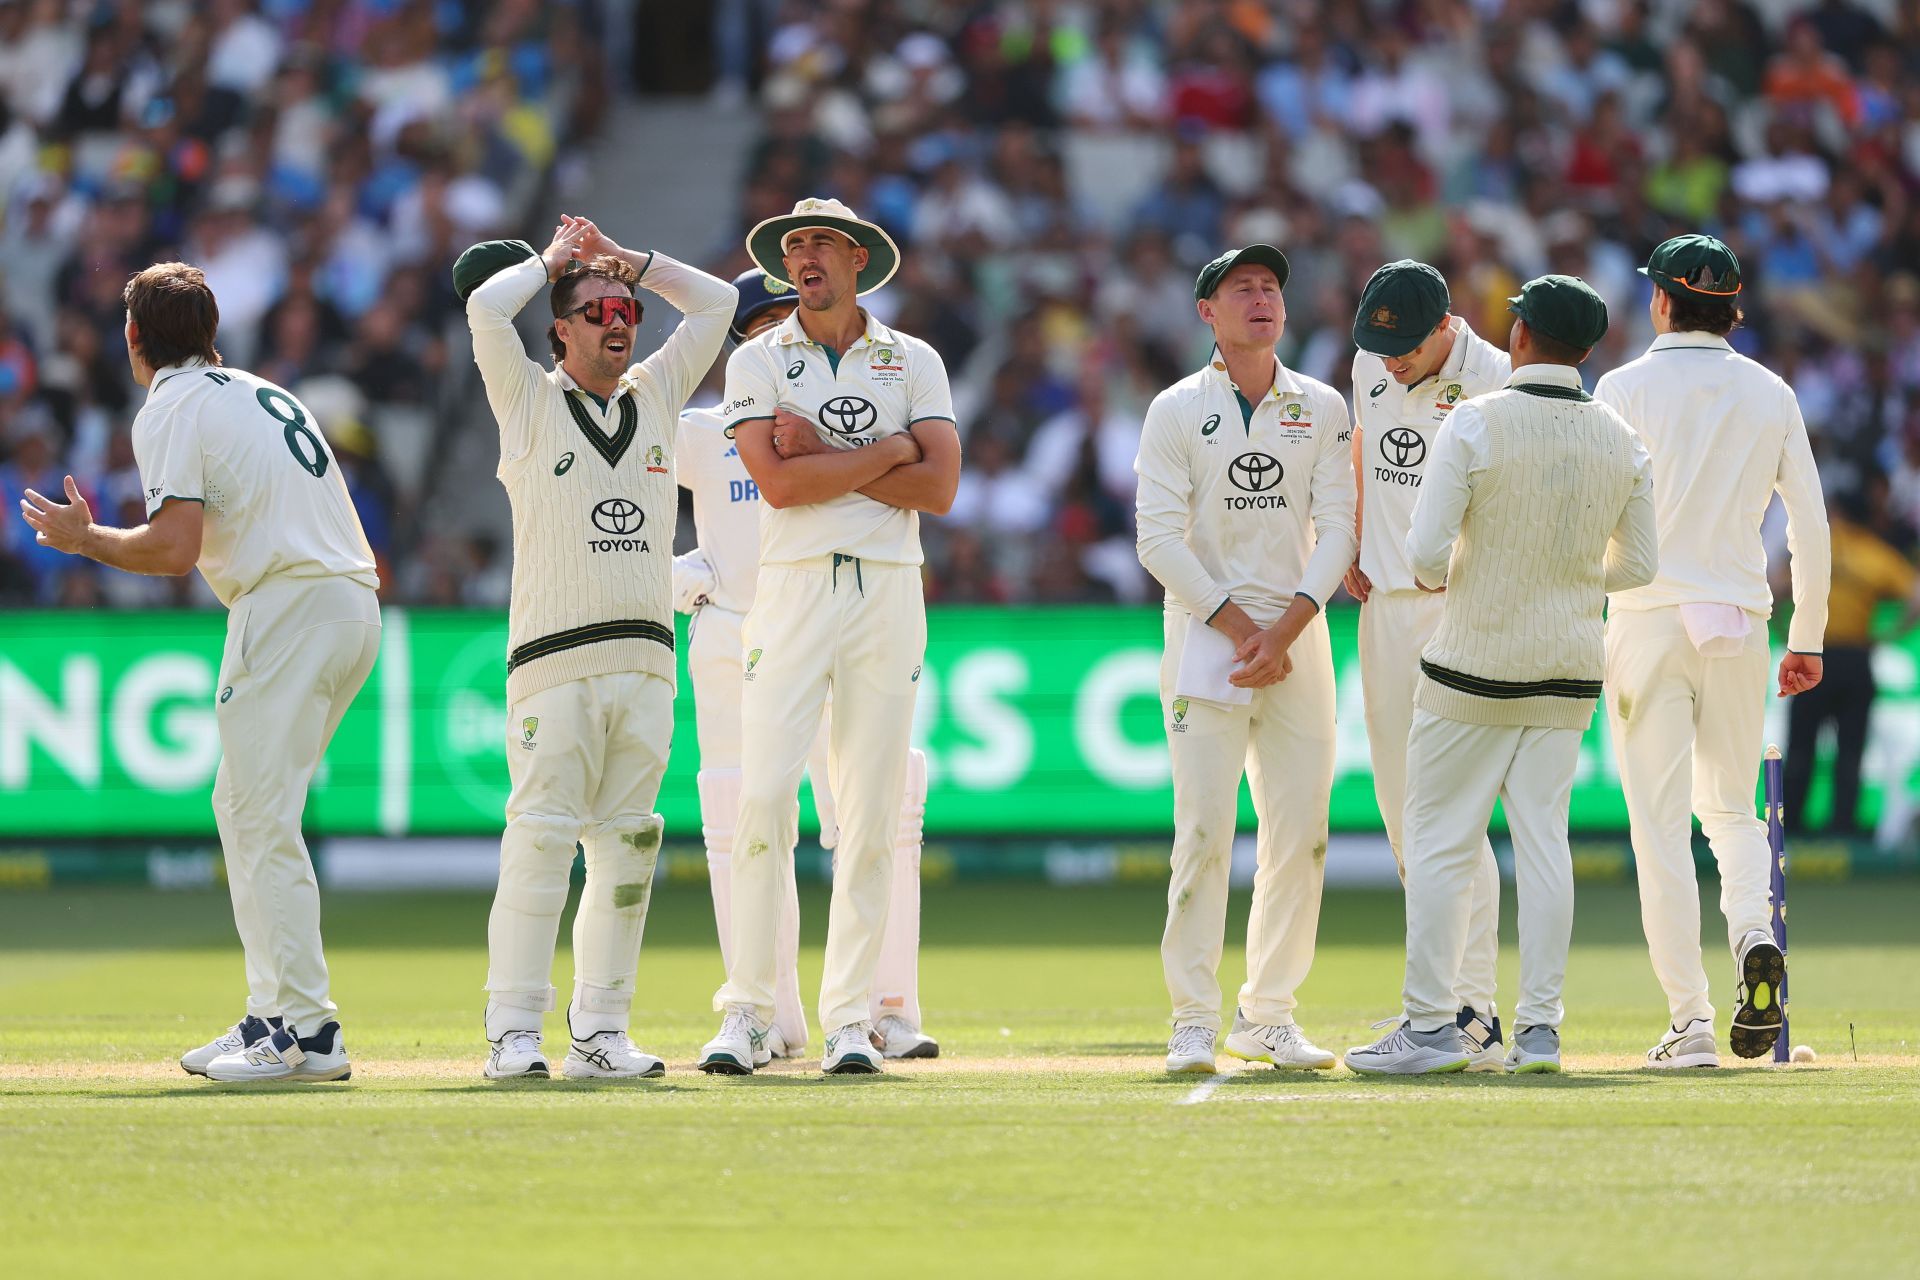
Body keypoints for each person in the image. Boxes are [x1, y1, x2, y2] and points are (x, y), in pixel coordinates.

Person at [19, 261, 381, 1082]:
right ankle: (277, 1015)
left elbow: (175, 549)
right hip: (350, 605)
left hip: (286, 606)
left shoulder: (172, 405)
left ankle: (301, 1033)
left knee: (257, 816)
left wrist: (88, 541)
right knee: (250, 808)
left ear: (136, 338)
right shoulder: (259, 389)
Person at [1345, 275, 1657, 1076]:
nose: (1388, 364)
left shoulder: (1481, 412)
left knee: (1437, 837)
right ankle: (1537, 1030)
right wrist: (1560, 575)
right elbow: (1639, 565)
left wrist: (1494, 575)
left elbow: (1424, 552)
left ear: (1516, 336)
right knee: (1541, 846)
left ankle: (1448, 1020)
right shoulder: (1621, 435)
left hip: (1471, 642)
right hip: (1564, 658)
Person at [456, 216, 735, 1080]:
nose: (619, 318)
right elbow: (483, 312)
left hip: (649, 662)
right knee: (539, 839)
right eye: (597, 307)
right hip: (554, 662)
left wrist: (635, 262)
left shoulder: (655, 395)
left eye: (627, 308)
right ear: (560, 329)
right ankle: (513, 1032)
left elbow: (720, 302)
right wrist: (550, 264)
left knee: (629, 848)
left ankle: (602, 1033)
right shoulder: (530, 400)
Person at [697, 198, 960, 1076]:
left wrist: (837, 459)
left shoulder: (912, 359)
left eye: (819, 244)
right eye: (792, 245)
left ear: (857, 259)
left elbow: (942, 490)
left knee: (871, 814)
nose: (803, 257)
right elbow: (776, 485)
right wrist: (890, 452)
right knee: (766, 800)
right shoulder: (757, 360)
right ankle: (749, 1012)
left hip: (886, 591)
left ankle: (851, 1017)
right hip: (795, 589)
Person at [1595, 234, 1832, 1066]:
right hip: (1738, 619)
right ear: (1732, 308)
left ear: (1661, 301)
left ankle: (1689, 1023)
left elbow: (1596, 512)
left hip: (1648, 616)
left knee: (1659, 829)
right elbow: (1809, 522)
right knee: (1730, 814)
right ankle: (1752, 937)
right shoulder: (1770, 392)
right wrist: (1807, 638)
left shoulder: (1621, 388)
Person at [1133, 244, 1357, 1076]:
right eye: (1242, 290)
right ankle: (1192, 1017)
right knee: (1202, 833)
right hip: (1206, 642)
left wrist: (1287, 628)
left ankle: (1267, 1015)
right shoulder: (1176, 409)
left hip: (1298, 642)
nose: (1261, 299)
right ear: (1208, 313)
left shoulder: (1322, 405)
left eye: (1271, 288)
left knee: (1302, 834)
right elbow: (1157, 539)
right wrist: (1239, 629)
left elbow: (1338, 526)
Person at [1345, 259, 1513, 1070]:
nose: (1392, 362)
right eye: (1381, 349)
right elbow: (1361, 453)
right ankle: (1437, 1006)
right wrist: (1349, 538)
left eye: (1407, 347)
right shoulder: (1368, 364)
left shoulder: (1501, 383)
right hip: (1382, 610)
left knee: (1454, 819)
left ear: (1447, 324)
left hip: (1460, 612)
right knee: (1406, 818)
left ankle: (1471, 1011)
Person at [1784, 491, 1916, 837]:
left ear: (1838, 512)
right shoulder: (1875, 554)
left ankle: (1791, 827)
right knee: (1851, 750)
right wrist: (1887, 635)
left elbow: (1776, 585)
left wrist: (1781, 628)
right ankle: (1842, 829)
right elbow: (1915, 596)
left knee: (1800, 747)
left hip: (1813, 654)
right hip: (1855, 658)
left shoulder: (1815, 549)